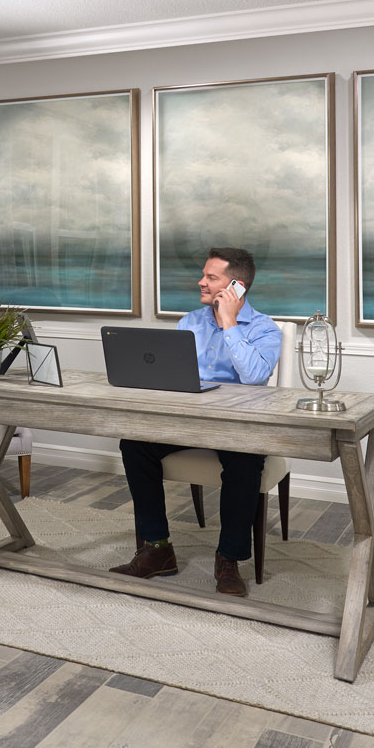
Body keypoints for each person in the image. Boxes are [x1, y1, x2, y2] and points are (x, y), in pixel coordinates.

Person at [109, 247, 282, 597]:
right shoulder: (189, 322)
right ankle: (157, 549)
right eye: (203, 275)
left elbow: (254, 378)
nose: (200, 282)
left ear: (237, 287)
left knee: (246, 462)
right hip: (188, 420)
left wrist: (229, 322)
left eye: (211, 277)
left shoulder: (266, 329)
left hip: (238, 427)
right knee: (134, 444)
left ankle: (228, 561)